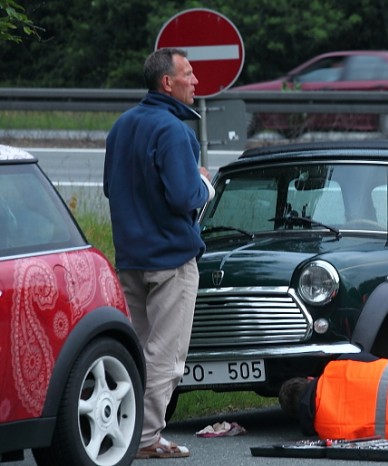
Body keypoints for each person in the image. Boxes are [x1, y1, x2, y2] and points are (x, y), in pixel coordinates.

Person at [103, 48, 214, 459]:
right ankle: (146, 437)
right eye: (188, 74)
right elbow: (186, 197)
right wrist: (205, 183)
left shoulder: (120, 127)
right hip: (171, 259)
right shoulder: (174, 131)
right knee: (166, 357)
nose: (195, 81)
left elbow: (111, 189)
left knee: (135, 353)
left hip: (130, 258)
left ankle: (122, 431)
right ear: (167, 82)